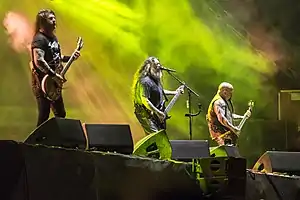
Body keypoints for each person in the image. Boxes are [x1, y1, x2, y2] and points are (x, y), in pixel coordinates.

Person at [30, 9, 80, 127]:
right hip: (43, 83)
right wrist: (53, 74)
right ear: (43, 22)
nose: (54, 21)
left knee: (61, 114)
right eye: (51, 18)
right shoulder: (39, 39)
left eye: (54, 18)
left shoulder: (53, 38)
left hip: (54, 83)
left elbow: (57, 57)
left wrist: (70, 57)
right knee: (44, 115)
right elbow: (39, 61)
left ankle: (59, 141)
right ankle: (36, 143)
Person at [132, 56, 184, 135]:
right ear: (149, 67)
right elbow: (145, 100)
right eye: (156, 65)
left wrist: (174, 92)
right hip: (145, 114)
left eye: (159, 64)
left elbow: (159, 91)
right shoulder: (145, 81)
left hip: (154, 113)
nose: (159, 67)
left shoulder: (155, 80)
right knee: (156, 136)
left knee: (158, 136)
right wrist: (158, 113)